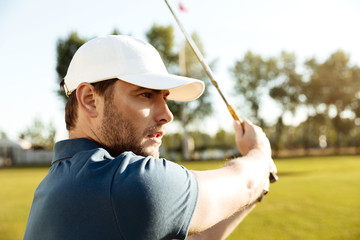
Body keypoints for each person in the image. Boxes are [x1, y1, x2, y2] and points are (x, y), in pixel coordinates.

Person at [24, 35, 276, 240]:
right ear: (90, 99)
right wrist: (259, 154)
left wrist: (260, 180)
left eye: (164, 97)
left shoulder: (64, 182)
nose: (167, 115)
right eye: (145, 94)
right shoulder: (121, 183)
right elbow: (244, 184)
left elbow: (201, 236)